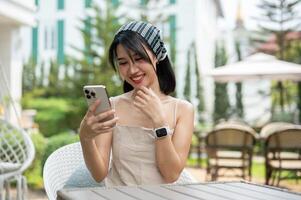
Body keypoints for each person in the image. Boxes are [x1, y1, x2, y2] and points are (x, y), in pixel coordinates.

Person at [79, 21, 194, 187]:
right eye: (123, 62)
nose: (132, 70)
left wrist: (159, 123)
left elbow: (171, 175)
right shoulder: (112, 106)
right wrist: (85, 137)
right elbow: (99, 174)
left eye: (139, 58)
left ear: (156, 56)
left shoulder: (183, 110)